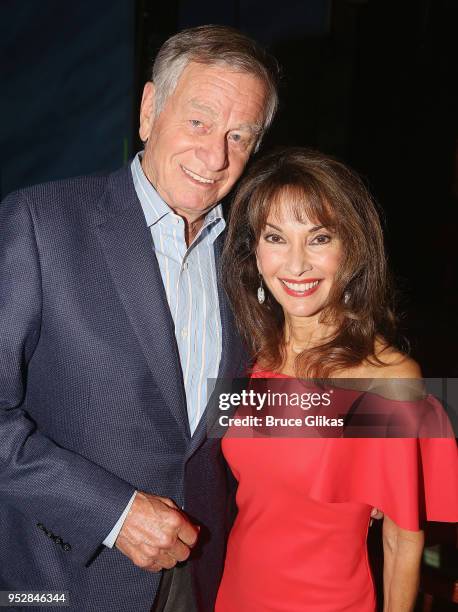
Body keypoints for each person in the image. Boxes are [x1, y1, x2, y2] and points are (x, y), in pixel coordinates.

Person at [0, 25, 280, 612]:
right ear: (150, 109)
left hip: (204, 576)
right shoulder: (38, 224)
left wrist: (395, 427)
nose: (215, 156)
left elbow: (247, 406)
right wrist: (114, 512)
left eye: (239, 135)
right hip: (57, 580)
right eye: (198, 122)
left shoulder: (256, 256)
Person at [216, 148, 458, 611]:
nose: (297, 263)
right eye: (276, 238)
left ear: (351, 248)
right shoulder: (248, 356)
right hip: (236, 594)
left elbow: (402, 541)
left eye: (319, 238)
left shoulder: (385, 379)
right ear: (256, 253)